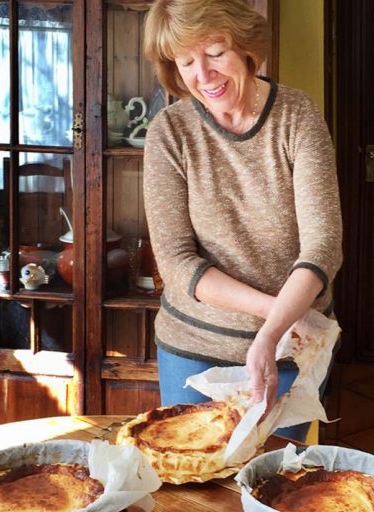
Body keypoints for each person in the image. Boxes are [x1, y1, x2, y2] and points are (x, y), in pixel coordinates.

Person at [141, 0, 343, 442]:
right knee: (193, 493)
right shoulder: (169, 133)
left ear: (247, 48)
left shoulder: (298, 117)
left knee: (276, 490)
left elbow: (323, 245)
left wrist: (271, 336)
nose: (203, 75)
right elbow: (176, 264)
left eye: (215, 52)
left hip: (293, 351)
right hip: (195, 349)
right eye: (187, 61)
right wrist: (280, 316)